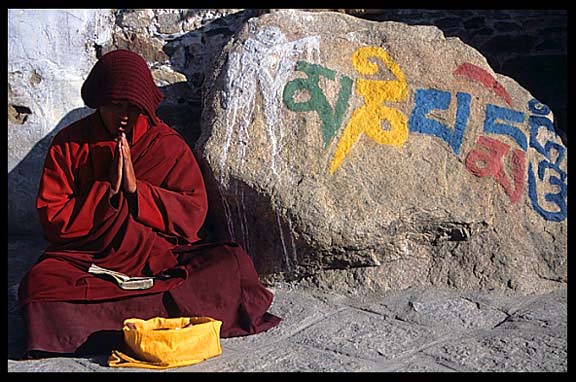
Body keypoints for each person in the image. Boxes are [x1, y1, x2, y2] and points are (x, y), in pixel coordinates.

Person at [17, 49, 281, 358]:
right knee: (38, 286)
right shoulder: (70, 144)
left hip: (159, 259)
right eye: (115, 105)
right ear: (99, 102)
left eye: (133, 106)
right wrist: (107, 191)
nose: (124, 115)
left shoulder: (167, 145)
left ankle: (101, 326)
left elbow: (193, 214)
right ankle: (157, 316)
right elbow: (53, 218)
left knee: (231, 266)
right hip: (93, 259)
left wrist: (137, 191)